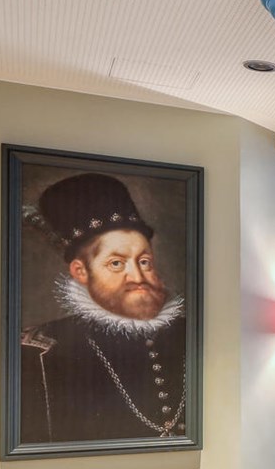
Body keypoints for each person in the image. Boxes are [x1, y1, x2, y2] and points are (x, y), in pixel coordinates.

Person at [19, 172, 190, 445]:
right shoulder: (37, 349)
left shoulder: (189, 334)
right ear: (81, 271)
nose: (138, 277)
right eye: (116, 263)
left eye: (144, 261)